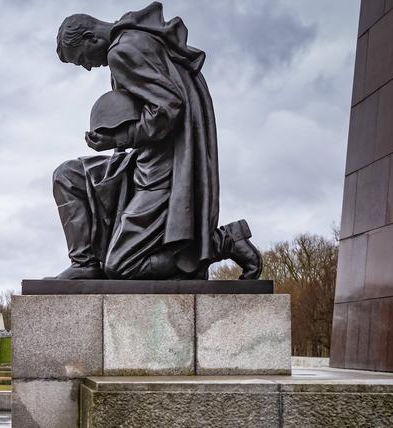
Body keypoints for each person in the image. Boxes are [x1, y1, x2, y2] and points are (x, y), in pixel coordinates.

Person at [50, 2, 262, 280]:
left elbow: (168, 108)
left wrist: (117, 137)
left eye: (82, 59)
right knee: (68, 176)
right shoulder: (134, 38)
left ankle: (222, 242)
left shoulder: (123, 51)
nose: (88, 67)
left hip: (166, 170)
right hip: (147, 159)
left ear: (91, 38)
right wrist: (119, 135)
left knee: (121, 266)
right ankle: (85, 263)